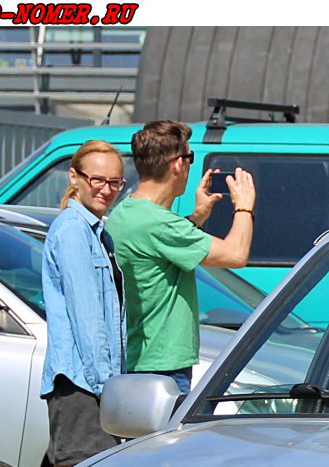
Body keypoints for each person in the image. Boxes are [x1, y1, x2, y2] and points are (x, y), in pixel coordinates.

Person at [105, 120, 255, 394]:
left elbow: (157, 248)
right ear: (177, 164)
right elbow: (236, 255)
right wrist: (244, 207)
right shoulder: (158, 223)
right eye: (190, 157)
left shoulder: (126, 213)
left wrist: (195, 218)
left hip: (140, 359)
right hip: (163, 366)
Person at [39, 139, 128, 467]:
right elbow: (88, 321)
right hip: (81, 383)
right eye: (97, 180)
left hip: (89, 382)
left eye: (115, 182)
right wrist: (107, 388)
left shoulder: (95, 231)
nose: (106, 190)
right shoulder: (74, 231)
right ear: (74, 177)